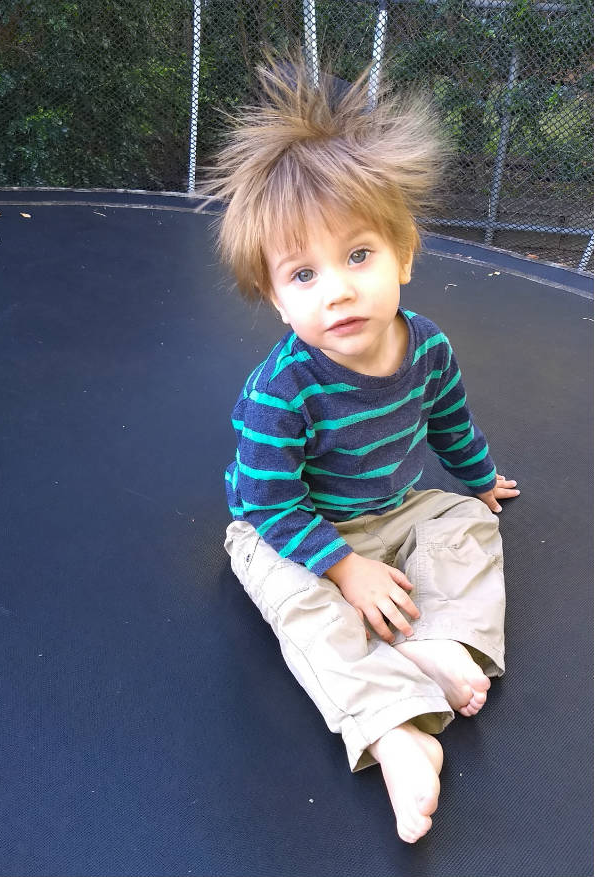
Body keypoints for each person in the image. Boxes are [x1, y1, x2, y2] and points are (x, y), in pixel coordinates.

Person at [201, 55, 520, 843]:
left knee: (468, 525)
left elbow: (448, 418)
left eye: (358, 256)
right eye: (304, 274)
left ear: (404, 255)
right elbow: (270, 499)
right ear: (277, 298)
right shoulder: (285, 388)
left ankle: (447, 643)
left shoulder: (428, 346)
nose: (337, 289)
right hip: (289, 531)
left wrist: (477, 481)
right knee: (301, 607)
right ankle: (391, 729)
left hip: (387, 506)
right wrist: (342, 567)